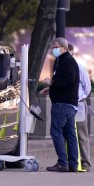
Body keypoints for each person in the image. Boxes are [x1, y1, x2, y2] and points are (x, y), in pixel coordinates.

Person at [41, 37, 80, 172]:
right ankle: (73, 164)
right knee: (70, 134)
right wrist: (50, 89)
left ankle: (63, 162)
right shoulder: (64, 61)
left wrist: (51, 83)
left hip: (63, 104)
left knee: (56, 132)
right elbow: (67, 81)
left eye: (55, 47)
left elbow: (69, 80)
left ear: (64, 47)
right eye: (52, 47)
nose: (53, 49)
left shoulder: (67, 61)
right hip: (68, 103)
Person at [68, 43, 92, 172]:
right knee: (67, 133)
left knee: (82, 134)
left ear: (71, 51)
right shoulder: (59, 67)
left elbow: (87, 88)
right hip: (65, 104)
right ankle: (70, 160)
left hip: (78, 103)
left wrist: (79, 97)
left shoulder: (79, 68)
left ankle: (85, 162)